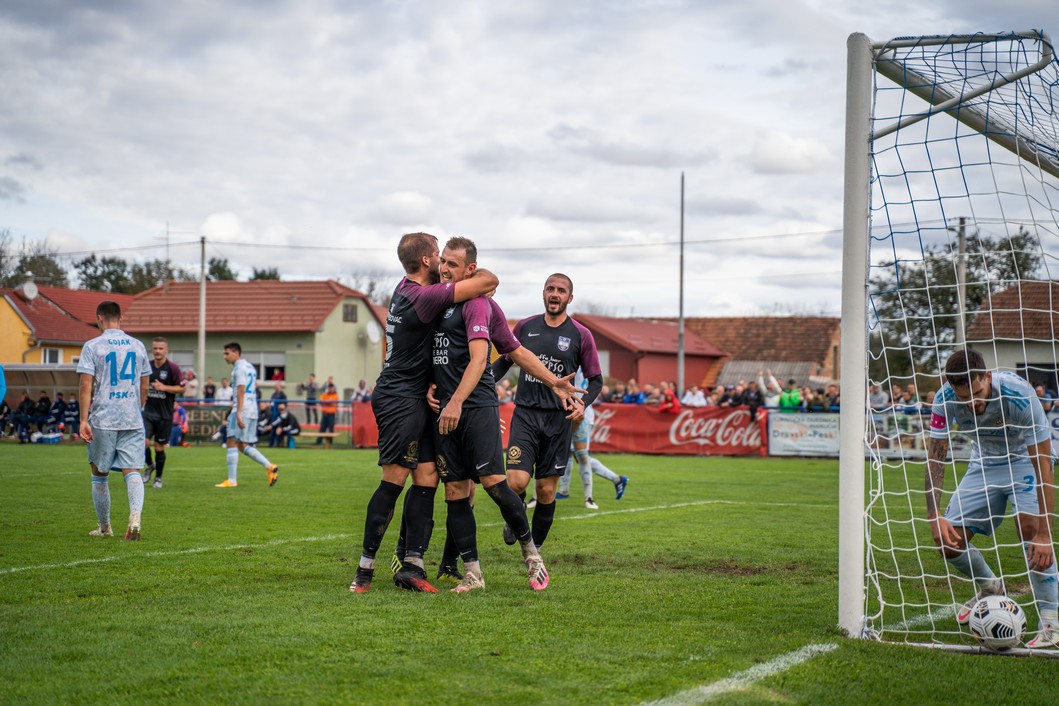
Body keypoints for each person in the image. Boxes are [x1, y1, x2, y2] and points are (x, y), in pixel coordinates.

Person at [424, 238, 581, 594]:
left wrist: (554, 381)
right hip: (448, 405)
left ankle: (532, 555)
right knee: (455, 491)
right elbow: (514, 351)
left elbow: (500, 356)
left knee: (496, 483)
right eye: (443, 262)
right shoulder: (440, 302)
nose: (445, 268)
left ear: (471, 271)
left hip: (473, 404)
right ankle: (473, 573)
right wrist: (431, 386)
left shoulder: (477, 304)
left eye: (452, 264)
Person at [350, 231, 500, 595]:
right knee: (394, 480)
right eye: (440, 256)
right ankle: (363, 573)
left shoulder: (406, 287)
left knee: (428, 477)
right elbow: (490, 280)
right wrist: (476, 282)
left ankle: (412, 565)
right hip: (400, 398)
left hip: (414, 397)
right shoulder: (424, 296)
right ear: (428, 261)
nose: (445, 264)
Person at [925, 348, 1057, 649]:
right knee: (948, 540)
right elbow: (936, 459)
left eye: (977, 393)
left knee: (1030, 530)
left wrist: (1044, 532)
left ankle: (1051, 621)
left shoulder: (1019, 394)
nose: (971, 404)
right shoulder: (944, 400)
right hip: (983, 464)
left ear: (987, 376)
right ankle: (989, 586)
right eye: (963, 397)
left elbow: (1044, 465)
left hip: (1024, 460)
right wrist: (934, 515)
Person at [489, 273, 602, 544]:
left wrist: (582, 405)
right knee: (515, 482)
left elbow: (596, 380)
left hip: (558, 420)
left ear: (569, 298)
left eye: (561, 291)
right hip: (526, 414)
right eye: (550, 289)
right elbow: (504, 363)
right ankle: (514, 518)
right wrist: (480, 383)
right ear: (543, 293)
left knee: (546, 490)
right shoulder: (525, 327)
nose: (555, 294)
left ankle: (534, 551)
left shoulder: (581, 335)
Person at [76, 301, 150, 540]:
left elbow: (85, 384)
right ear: (120, 318)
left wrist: (83, 419)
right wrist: (137, 407)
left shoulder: (92, 345)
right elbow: (145, 383)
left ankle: (105, 527)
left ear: (99, 318)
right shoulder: (138, 346)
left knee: (99, 474)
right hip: (132, 418)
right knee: (133, 470)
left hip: (103, 418)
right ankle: (135, 516)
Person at [215, 342, 280, 489]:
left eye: (227, 353)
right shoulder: (250, 367)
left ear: (236, 353)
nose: (225, 356)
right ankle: (269, 466)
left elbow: (241, 389)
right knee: (243, 445)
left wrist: (238, 412)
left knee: (231, 440)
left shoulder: (239, 369)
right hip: (252, 409)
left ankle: (232, 480)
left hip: (242, 409)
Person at [559, 374, 629, 509]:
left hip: (581, 413)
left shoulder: (580, 361)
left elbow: (594, 384)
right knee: (568, 452)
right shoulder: (584, 362)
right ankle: (564, 491)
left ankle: (615, 480)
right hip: (573, 410)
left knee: (581, 456)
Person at [142, 337, 185, 488]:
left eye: (161, 348)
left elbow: (182, 388)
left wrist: (164, 388)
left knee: (159, 447)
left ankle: (158, 478)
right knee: (143, 442)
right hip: (148, 412)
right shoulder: (146, 366)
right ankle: (150, 465)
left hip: (165, 415)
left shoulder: (172, 368)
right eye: (155, 348)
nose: (158, 351)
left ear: (166, 350)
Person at [317, 381, 338, 446]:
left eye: (332, 388)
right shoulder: (325, 394)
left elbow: (333, 402)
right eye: (329, 388)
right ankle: (318, 442)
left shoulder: (335, 395)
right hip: (325, 414)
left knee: (331, 428)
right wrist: (328, 402)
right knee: (322, 428)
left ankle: (330, 443)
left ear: (333, 388)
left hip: (331, 414)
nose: (331, 389)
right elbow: (321, 401)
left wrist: (326, 402)